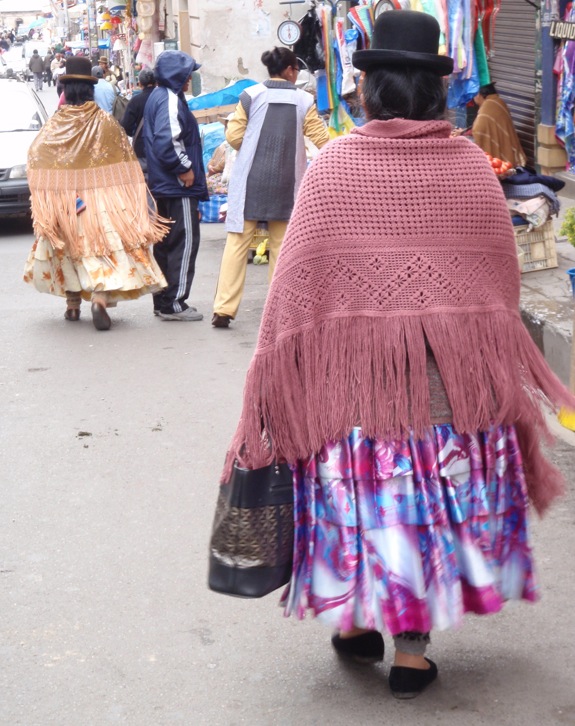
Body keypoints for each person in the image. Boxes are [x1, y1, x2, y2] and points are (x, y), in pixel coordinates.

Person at [221, 11, 575, 699]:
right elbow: (497, 292)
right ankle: (411, 659)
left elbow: (295, 290)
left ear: (369, 87)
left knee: (361, 503)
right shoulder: (470, 167)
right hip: (445, 402)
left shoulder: (334, 167)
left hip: (352, 399)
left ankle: (357, 624)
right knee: (420, 516)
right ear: (435, 90)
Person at [23, 56, 168, 331]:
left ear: (66, 91)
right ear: (90, 89)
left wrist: (51, 192)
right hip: (99, 201)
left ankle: (72, 305)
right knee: (98, 251)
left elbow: (36, 153)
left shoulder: (56, 123)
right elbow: (125, 159)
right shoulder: (104, 121)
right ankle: (99, 299)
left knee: (68, 248)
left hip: (66, 202)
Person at [211, 46, 330, 328]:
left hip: (251, 180)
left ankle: (224, 309)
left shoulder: (250, 95)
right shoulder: (304, 100)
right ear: (289, 71)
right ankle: (279, 310)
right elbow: (321, 138)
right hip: (287, 182)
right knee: (281, 246)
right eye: (296, 70)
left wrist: (256, 146)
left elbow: (234, 136)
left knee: (237, 244)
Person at [143, 50, 208, 322]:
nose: (189, 79)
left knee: (165, 245)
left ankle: (163, 301)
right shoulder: (168, 98)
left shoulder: (159, 96)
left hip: (163, 184)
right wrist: (185, 168)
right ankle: (175, 303)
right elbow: (167, 140)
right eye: (187, 74)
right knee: (184, 243)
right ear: (175, 75)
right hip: (176, 185)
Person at [455, 83, 527, 167]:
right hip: (508, 151)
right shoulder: (498, 101)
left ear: (478, 94)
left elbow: (479, 130)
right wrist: (464, 132)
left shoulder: (487, 107)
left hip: (500, 160)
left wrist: (462, 135)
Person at [119, 68, 156, 171]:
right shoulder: (163, 98)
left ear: (140, 84)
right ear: (156, 82)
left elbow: (126, 125)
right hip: (164, 147)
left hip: (143, 147)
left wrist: (134, 133)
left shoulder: (135, 101)